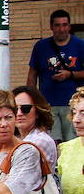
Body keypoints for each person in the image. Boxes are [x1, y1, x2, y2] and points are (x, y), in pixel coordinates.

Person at [27, 9, 84, 140]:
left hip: (73, 105)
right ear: (51, 27)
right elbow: (32, 75)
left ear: (69, 26)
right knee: (52, 141)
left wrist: (70, 74)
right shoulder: (41, 46)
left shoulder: (80, 45)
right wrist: (32, 100)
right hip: (47, 105)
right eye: (57, 25)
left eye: (64, 25)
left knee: (74, 141)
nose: (61, 29)